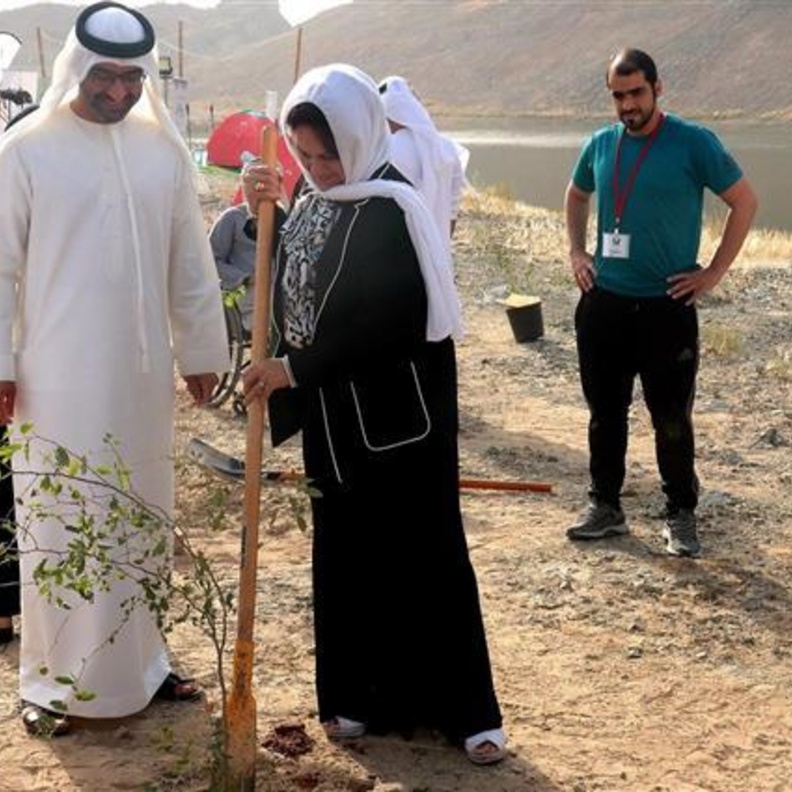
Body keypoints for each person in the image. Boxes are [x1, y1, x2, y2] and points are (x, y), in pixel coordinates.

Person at [242, 63, 506, 765]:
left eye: (328, 153)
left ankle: (469, 714)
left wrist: (291, 370)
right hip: (334, 426)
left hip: (400, 427)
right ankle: (358, 698)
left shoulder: (393, 206)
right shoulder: (316, 200)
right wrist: (260, 213)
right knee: (347, 557)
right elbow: (291, 281)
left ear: (360, 137)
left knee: (428, 557)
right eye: (305, 154)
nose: (320, 167)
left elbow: (385, 324)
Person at [0, 2, 229, 735]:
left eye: (133, 78)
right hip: (54, 381)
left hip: (138, 379)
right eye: (106, 76)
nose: (121, 92)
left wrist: (200, 350)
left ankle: (144, 665)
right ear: (78, 67)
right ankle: (51, 683)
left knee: (140, 517)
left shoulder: (158, 150)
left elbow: (188, 261)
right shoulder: (25, 150)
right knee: (63, 520)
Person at [564, 48, 757, 558]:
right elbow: (576, 194)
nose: (627, 105)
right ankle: (605, 506)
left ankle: (681, 513)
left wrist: (713, 272)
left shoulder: (694, 143)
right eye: (618, 95)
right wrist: (577, 250)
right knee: (604, 413)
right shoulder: (601, 144)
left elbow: (744, 202)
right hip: (603, 303)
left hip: (665, 309)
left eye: (636, 93)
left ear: (657, 88)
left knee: (670, 416)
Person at [378, 75, 468, 246]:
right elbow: (451, 213)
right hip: (437, 250)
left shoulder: (385, 150)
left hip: (397, 249)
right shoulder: (447, 149)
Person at [208, 189, 257, 333]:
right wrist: (244, 277)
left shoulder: (280, 216)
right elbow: (210, 260)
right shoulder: (232, 217)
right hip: (241, 291)